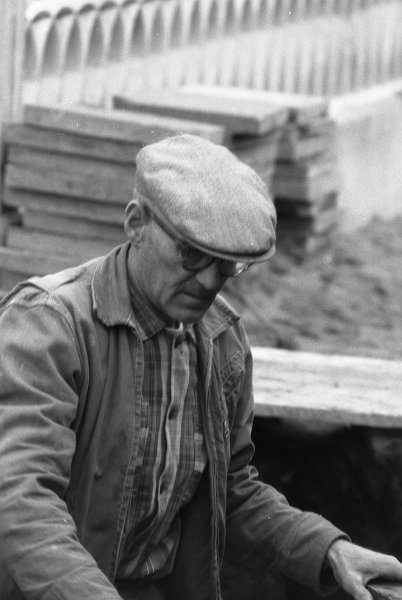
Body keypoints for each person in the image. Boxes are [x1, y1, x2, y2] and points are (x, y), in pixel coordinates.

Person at [0, 133, 401, 600]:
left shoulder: (221, 339)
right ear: (136, 223)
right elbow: (21, 500)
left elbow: (230, 491)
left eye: (229, 265)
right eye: (192, 254)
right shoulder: (49, 325)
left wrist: (328, 550)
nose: (210, 281)